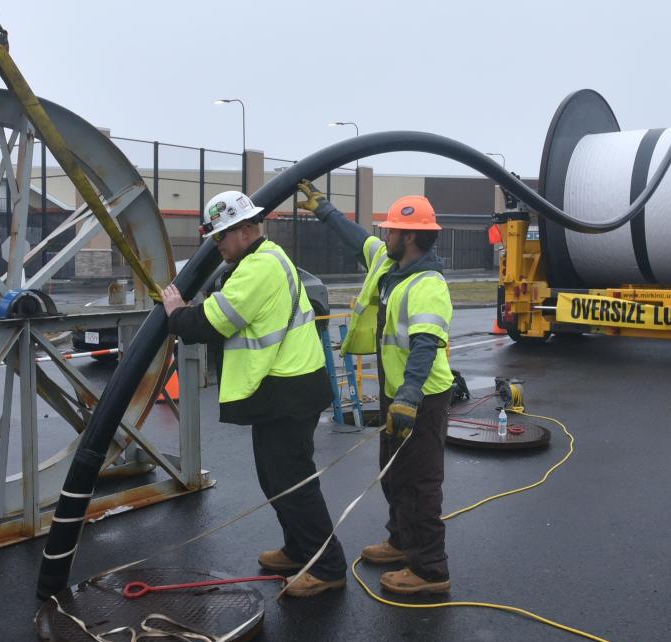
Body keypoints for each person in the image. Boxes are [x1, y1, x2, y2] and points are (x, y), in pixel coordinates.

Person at [161, 190, 346, 596]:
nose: (217, 244)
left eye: (222, 235)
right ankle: (300, 549)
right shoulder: (265, 258)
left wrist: (176, 314)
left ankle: (327, 566)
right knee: (277, 479)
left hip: (288, 390)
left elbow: (211, 325)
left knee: (292, 482)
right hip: (286, 387)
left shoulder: (257, 269)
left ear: (245, 230)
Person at [297, 179, 454, 594]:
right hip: (397, 394)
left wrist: (407, 397)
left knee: (420, 484)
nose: (384, 235)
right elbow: (358, 241)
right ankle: (403, 542)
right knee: (394, 475)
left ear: (411, 236)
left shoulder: (427, 286)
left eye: (391, 231)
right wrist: (325, 210)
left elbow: (425, 345)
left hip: (421, 398)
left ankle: (430, 570)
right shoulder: (390, 267)